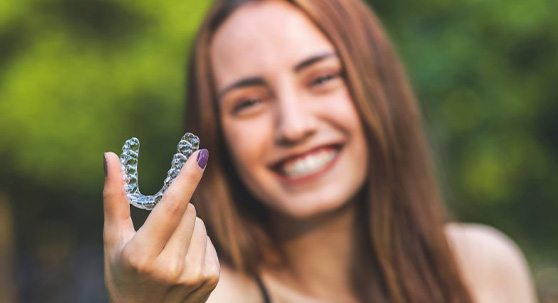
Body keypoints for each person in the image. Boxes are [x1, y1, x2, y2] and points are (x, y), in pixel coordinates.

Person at [102, 0, 538, 302]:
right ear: (216, 135)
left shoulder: (484, 269)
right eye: (249, 102)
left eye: (322, 78)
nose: (294, 126)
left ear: (378, 86)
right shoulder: (208, 298)